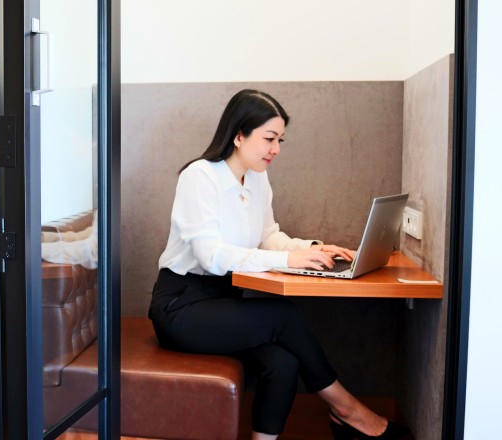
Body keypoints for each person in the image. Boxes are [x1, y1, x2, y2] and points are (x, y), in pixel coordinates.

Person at [148, 89, 409, 439]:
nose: (277, 149)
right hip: (181, 306)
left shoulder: (257, 177)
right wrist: (289, 259)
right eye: (269, 138)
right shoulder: (200, 177)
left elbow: (268, 235)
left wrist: (314, 248)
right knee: (283, 315)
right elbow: (211, 257)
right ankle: (347, 409)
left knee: (283, 364)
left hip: (223, 302)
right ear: (239, 135)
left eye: (280, 139)